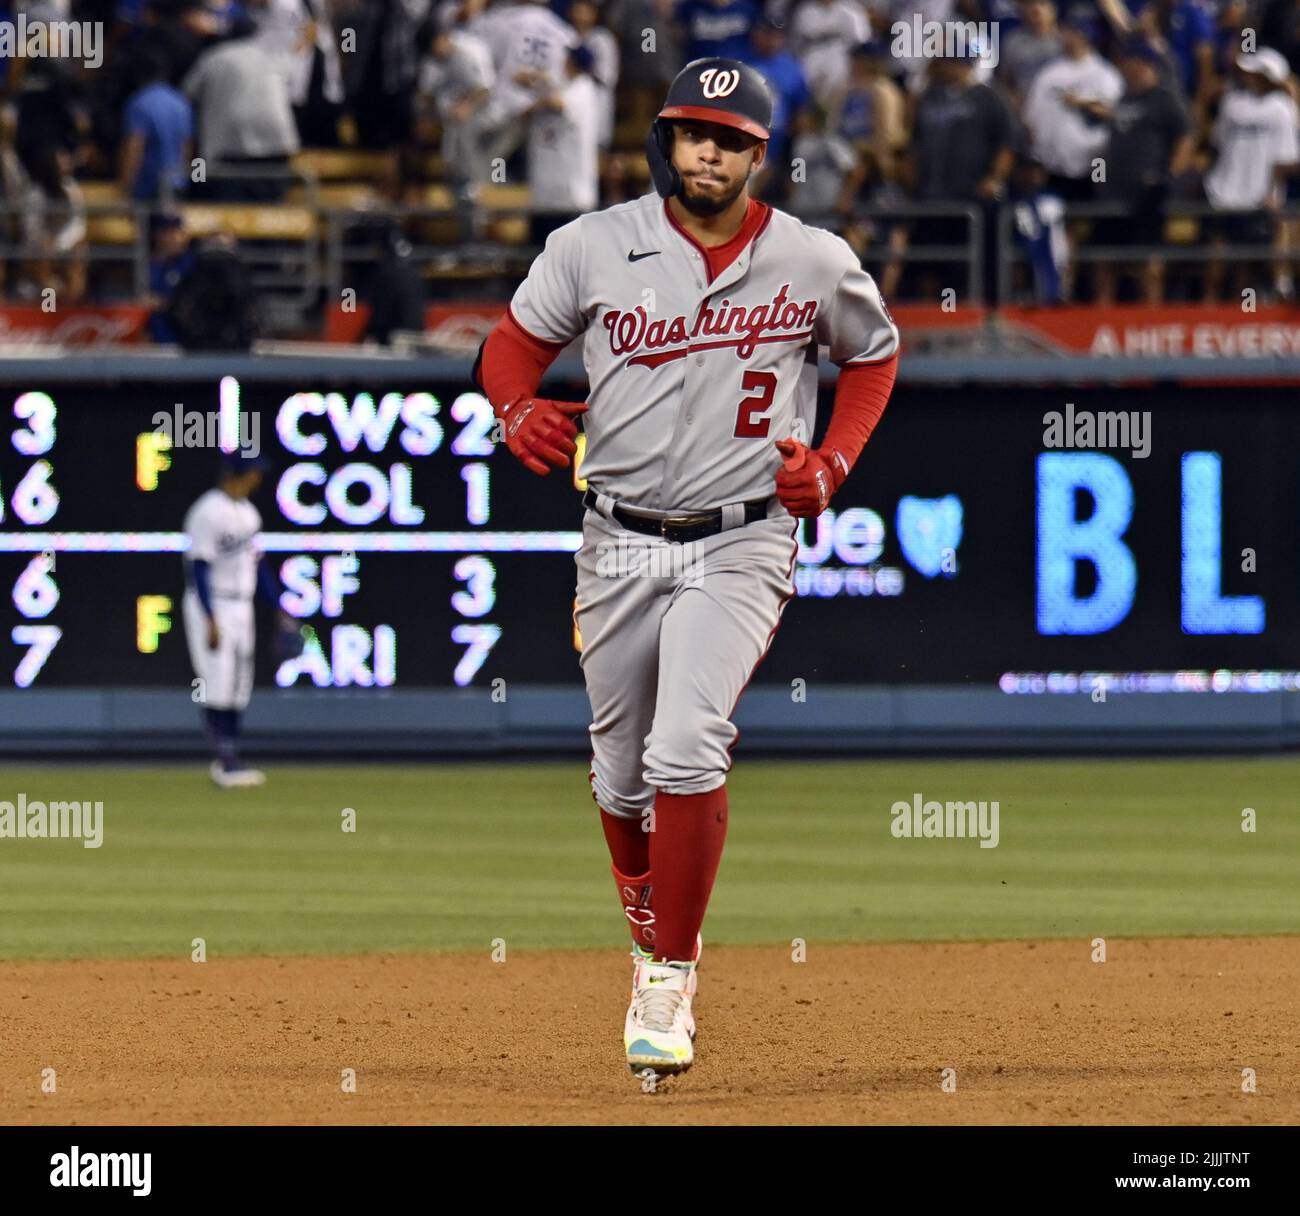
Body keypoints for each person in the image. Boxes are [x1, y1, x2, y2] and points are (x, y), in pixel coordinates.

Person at [472, 57, 899, 1076]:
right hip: (616, 532)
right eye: (691, 131)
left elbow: (872, 356)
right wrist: (512, 406)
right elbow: (510, 345)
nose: (708, 149)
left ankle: (668, 973)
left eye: (732, 137)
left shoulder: (810, 258)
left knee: (685, 748)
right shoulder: (592, 245)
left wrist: (830, 463)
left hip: (742, 533)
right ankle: (648, 919)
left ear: (761, 151)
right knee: (618, 777)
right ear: (665, 140)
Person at [183, 450, 292, 788]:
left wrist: (277, 607)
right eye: (252, 472)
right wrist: (210, 616)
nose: (257, 478)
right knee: (217, 681)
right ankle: (224, 759)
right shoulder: (207, 511)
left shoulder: (248, 513)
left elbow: (257, 565)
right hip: (213, 602)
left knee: (238, 685)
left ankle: (230, 757)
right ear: (236, 473)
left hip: (241, 605)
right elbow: (198, 566)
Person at [1089, 37, 1194, 304]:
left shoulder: (1164, 99)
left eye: (1137, 62)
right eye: (1128, 62)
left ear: (1149, 66)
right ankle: (1103, 321)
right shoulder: (1122, 98)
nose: (1131, 68)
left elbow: (1184, 138)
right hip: (1115, 192)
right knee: (1105, 260)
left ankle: (1150, 323)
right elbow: (1109, 143)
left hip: (1147, 193)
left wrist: (1168, 177)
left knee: (1148, 261)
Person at [1202, 47, 1300, 302]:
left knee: (1246, 265)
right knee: (1217, 259)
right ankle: (1207, 311)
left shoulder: (1282, 108)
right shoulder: (1233, 102)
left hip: (1258, 197)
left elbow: (1286, 158)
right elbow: (1217, 142)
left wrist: (1271, 191)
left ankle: (1240, 315)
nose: (1247, 75)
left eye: (1254, 72)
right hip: (1223, 193)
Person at [182, 17, 301, 201]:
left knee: (232, 204)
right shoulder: (273, 55)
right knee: (270, 205)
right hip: (277, 139)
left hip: (232, 144)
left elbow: (187, 92)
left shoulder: (215, 56)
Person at [525, 44, 602, 244]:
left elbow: (559, 104)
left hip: (570, 196)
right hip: (547, 195)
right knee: (540, 260)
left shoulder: (583, 88)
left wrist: (539, 95)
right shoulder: (567, 87)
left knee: (568, 262)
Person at [119, 40, 194, 202]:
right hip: (176, 184)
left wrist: (126, 187)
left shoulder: (139, 103)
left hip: (149, 188)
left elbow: (135, 147)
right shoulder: (180, 102)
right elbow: (187, 147)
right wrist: (188, 180)